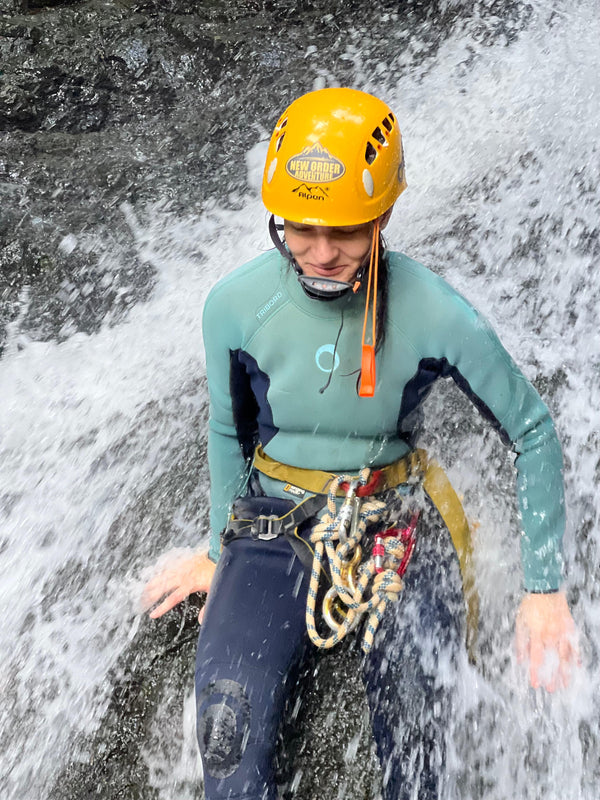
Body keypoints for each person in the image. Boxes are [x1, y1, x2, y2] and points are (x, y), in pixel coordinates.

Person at [143, 87, 579, 799]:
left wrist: (542, 590)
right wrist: (219, 555)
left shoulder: (436, 312)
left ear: (383, 214)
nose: (320, 254)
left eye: (345, 233)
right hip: (272, 525)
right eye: (301, 229)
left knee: (415, 728)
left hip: (391, 522)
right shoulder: (233, 305)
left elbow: (531, 431)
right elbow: (229, 428)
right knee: (227, 729)